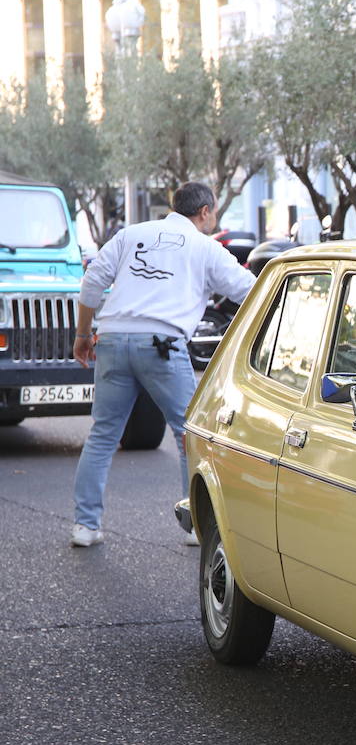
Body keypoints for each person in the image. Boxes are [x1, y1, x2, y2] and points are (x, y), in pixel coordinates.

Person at [70, 182, 258, 548]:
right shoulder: (206, 248)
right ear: (204, 212)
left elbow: (92, 281)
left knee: (102, 435)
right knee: (190, 434)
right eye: (214, 212)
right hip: (162, 345)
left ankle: (84, 526)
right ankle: (194, 527)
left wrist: (82, 335)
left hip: (111, 339)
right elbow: (249, 290)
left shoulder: (131, 234)